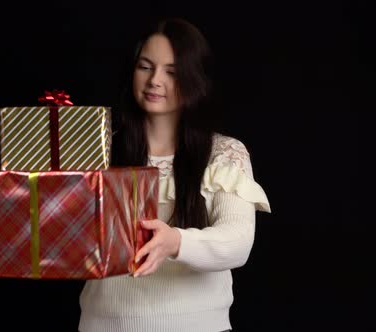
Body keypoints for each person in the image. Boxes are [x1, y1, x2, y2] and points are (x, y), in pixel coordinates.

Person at [78, 17, 271, 332]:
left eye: (171, 71)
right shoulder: (98, 151)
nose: (155, 80)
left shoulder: (224, 153)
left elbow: (238, 240)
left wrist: (175, 241)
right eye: (145, 67)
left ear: (194, 79)